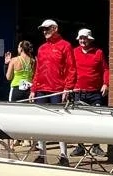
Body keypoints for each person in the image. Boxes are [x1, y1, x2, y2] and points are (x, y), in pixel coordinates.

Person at [31, 19, 75, 164]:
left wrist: (67, 88)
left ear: (55, 28)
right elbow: (37, 70)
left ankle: (64, 156)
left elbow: (71, 69)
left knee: (59, 123)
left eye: (47, 29)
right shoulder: (42, 48)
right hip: (41, 89)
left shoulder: (66, 46)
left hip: (57, 89)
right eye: (43, 29)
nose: (44, 31)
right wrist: (33, 89)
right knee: (40, 122)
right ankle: (42, 155)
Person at [72, 29, 108, 107]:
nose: (82, 41)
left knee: (96, 116)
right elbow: (70, 70)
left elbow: (105, 69)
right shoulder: (74, 52)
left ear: (90, 39)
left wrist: (106, 84)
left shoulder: (98, 52)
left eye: (85, 38)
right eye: (80, 38)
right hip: (79, 92)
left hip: (95, 93)